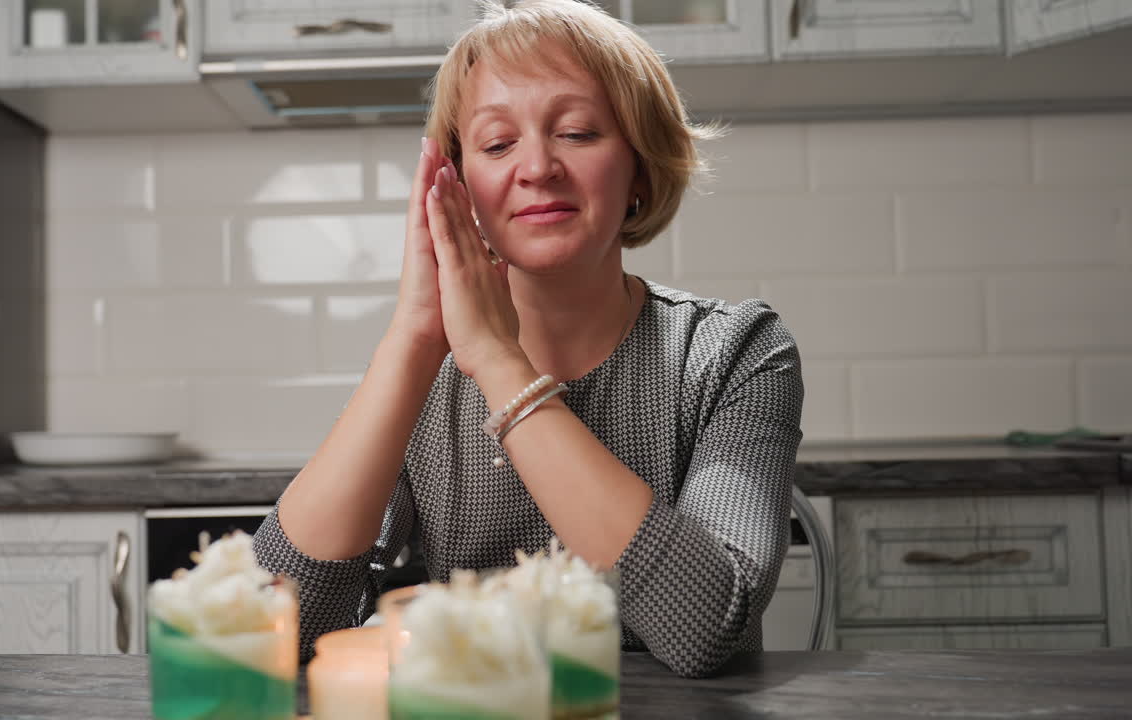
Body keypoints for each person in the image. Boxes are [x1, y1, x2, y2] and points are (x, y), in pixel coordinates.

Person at [253, 0, 804, 678]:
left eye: (576, 132)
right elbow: (269, 631)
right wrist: (412, 338)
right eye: (496, 143)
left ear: (639, 166)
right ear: (456, 186)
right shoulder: (425, 373)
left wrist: (496, 361)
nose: (538, 167)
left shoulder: (735, 353)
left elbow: (707, 627)